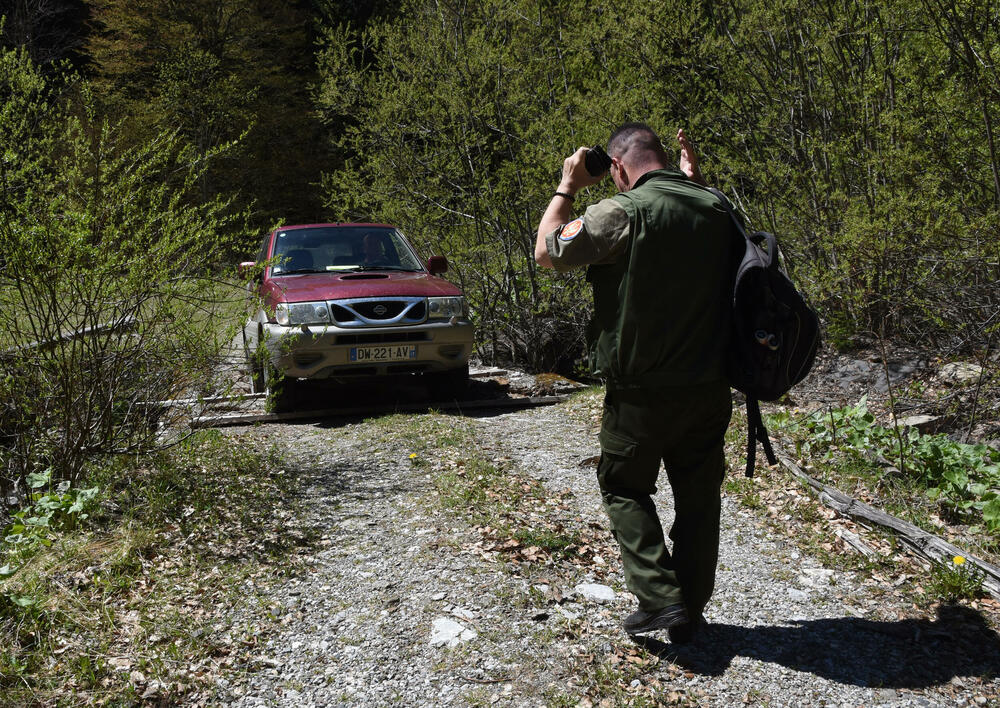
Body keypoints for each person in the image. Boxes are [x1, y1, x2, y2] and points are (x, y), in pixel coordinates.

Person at [535, 124, 733, 642]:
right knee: (698, 495)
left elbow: (548, 252)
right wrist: (696, 184)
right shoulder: (714, 206)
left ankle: (661, 599)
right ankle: (689, 606)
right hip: (710, 385)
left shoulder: (620, 211)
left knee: (624, 486)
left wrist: (567, 186)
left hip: (642, 390)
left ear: (617, 167)